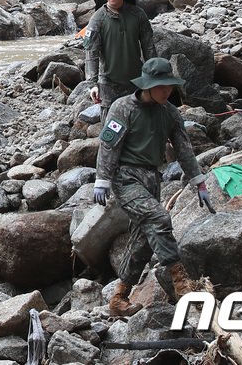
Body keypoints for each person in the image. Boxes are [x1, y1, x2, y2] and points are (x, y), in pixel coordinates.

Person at [95, 57, 213, 317]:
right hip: (125, 178)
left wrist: (199, 182)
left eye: (169, 86)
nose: (166, 91)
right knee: (159, 217)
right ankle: (181, 281)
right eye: (160, 87)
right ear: (147, 86)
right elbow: (108, 146)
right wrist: (102, 180)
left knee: (143, 240)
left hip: (152, 178)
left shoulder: (169, 112)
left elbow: (184, 149)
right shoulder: (122, 108)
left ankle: (118, 298)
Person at [84, 0, 156, 120]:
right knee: (111, 131)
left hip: (135, 82)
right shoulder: (97, 20)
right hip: (108, 85)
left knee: (137, 126)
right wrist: (93, 85)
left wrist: (153, 76)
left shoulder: (138, 15)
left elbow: (149, 48)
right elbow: (91, 54)